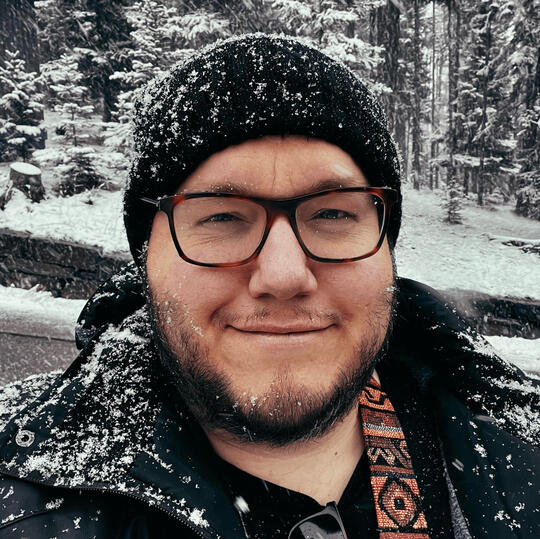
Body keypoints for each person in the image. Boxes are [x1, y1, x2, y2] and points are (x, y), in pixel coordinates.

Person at [0, 34, 538, 539]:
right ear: (146, 261)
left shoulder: (521, 453)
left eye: (332, 213)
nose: (284, 276)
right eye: (221, 217)